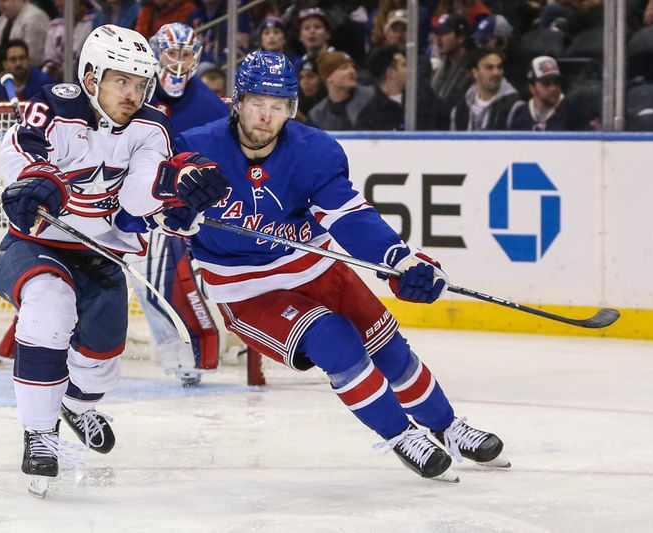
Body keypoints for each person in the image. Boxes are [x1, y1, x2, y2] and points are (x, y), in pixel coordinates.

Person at [173, 50, 509, 482]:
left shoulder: (315, 151)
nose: (265, 116)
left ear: (291, 109)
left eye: (278, 107)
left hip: (317, 268)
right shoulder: (196, 147)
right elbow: (151, 205)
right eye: (257, 103)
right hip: (247, 290)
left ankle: (448, 426)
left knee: (392, 351)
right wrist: (173, 211)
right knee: (335, 340)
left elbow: (349, 217)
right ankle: (401, 434)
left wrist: (398, 259)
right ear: (236, 102)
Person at [0, 24, 227, 491]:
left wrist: (173, 188)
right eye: (123, 81)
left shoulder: (151, 125)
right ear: (92, 75)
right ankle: (40, 432)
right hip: (37, 244)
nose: (133, 93)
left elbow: (141, 192)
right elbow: (16, 151)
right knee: (48, 307)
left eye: (141, 83)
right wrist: (33, 179)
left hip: (101, 254)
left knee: (102, 362)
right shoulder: (55, 105)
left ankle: (76, 406)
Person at [131, 22, 230, 385]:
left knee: (165, 280)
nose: (178, 62)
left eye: (186, 54)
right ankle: (183, 354)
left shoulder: (206, 104)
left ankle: (192, 353)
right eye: (172, 52)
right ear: (157, 53)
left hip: (182, 205)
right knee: (146, 281)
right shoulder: (135, 91)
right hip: (135, 196)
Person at [356, 45, 448, 131]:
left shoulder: (425, 96)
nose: (411, 69)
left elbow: (444, 121)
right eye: (404, 65)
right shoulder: (370, 115)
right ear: (391, 73)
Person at [450, 48, 520, 130]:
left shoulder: (515, 107)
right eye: (489, 67)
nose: (496, 72)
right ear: (475, 72)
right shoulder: (460, 110)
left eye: (499, 67)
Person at [306, 49, 372, 131]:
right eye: (344, 68)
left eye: (353, 67)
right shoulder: (317, 116)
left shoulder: (373, 98)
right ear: (328, 77)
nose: (352, 71)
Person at [509, 55, 568, 131]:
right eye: (547, 83)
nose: (553, 88)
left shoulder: (571, 112)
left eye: (556, 83)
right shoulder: (520, 113)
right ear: (532, 88)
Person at [41, 0, 95, 81]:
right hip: (58, 79)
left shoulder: (94, 20)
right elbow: (50, 59)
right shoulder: (54, 25)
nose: (58, 4)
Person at [430, 13, 474, 113]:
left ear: (461, 37)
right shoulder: (439, 69)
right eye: (437, 33)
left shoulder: (472, 70)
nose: (438, 38)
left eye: (444, 33)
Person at [0, 0, 50, 67]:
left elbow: (33, 59)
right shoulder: (0, 20)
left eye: (4, 0)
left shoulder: (35, 17)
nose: (0, 5)